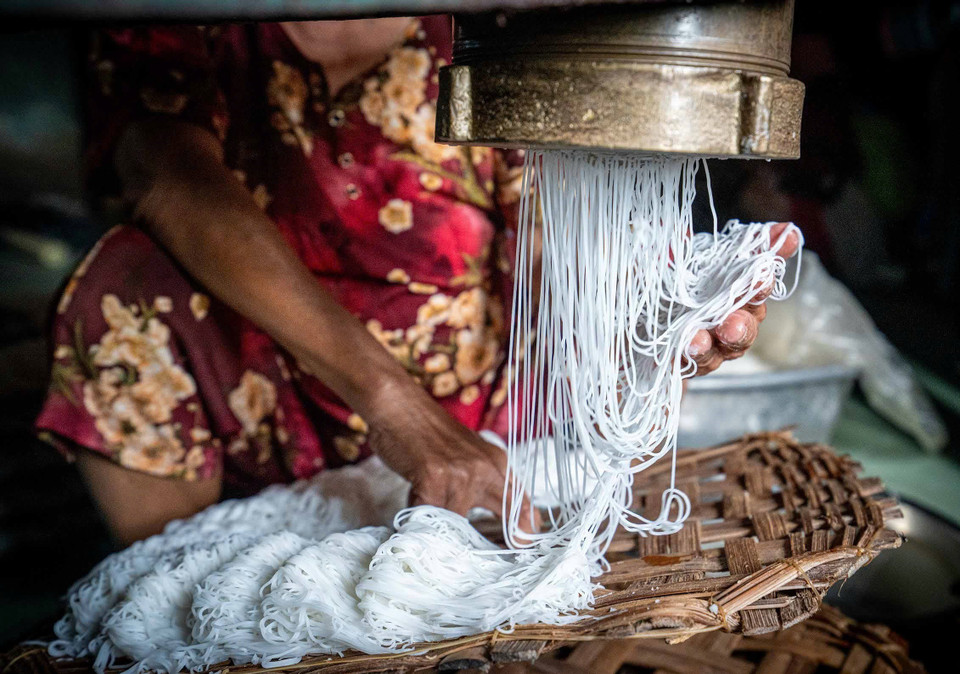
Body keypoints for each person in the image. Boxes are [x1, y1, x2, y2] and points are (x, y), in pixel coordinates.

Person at [35, 16, 800, 547]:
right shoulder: (188, 21)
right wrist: (394, 403)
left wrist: (636, 316)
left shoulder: (476, 34)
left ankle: (489, 512)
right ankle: (179, 596)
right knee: (122, 284)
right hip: (263, 411)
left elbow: (538, 230)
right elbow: (169, 181)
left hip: (476, 413)